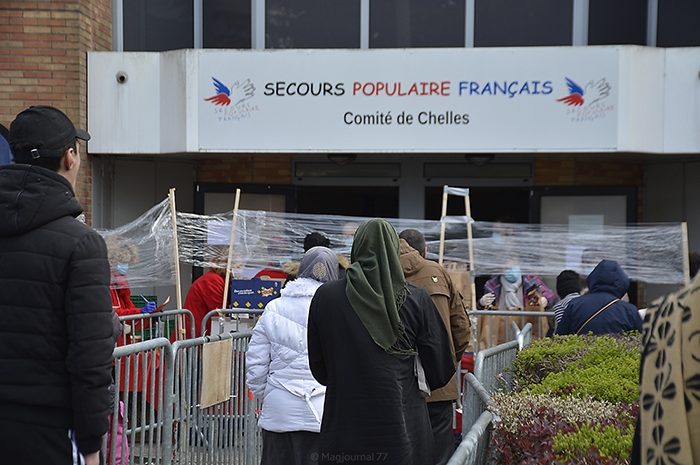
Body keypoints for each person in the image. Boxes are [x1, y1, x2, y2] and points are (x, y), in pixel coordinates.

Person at [0, 106, 113, 465]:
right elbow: (89, 359)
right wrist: (91, 444)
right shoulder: (81, 244)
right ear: (70, 157)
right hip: (50, 429)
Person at [307, 219, 455, 465]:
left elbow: (319, 368)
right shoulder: (416, 299)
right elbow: (440, 370)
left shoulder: (326, 297)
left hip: (344, 428)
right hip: (403, 429)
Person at [247, 247, 340, 465]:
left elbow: (256, 364)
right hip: (323, 409)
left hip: (279, 408)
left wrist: (269, 394)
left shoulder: (274, 308)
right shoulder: (339, 310)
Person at [398, 229, 470, 465]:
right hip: (440, 385)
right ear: (425, 250)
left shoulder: (384, 273)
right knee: (440, 455)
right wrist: (446, 362)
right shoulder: (439, 272)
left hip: (398, 385)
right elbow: (461, 327)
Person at [478, 255, 557, 344]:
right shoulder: (492, 285)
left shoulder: (531, 281)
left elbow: (550, 296)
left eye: (513, 267)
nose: (511, 271)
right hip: (501, 333)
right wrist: (481, 303)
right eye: (507, 269)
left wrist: (545, 299)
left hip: (528, 329)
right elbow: (485, 310)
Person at [555, 259, 642, 336]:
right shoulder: (629, 311)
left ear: (593, 279)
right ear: (622, 282)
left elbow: (560, 337)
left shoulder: (574, 305)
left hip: (581, 353)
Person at [184, 259, 227, 337]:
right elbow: (219, 312)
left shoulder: (213, 278)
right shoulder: (213, 280)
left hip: (197, 331)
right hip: (196, 333)